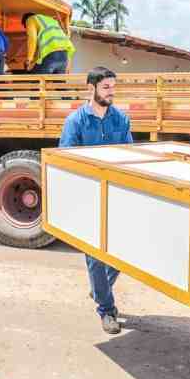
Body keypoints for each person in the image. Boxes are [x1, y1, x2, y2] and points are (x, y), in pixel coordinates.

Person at [59, 66, 132, 334]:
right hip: (87, 196)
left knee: (123, 251)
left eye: (113, 87)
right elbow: (65, 160)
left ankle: (98, 288)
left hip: (115, 194)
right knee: (95, 256)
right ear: (91, 89)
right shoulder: (76, 121)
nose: (111, 93)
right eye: (106, 88)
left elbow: (129, 157)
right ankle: (106, 309)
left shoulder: (121, 120)